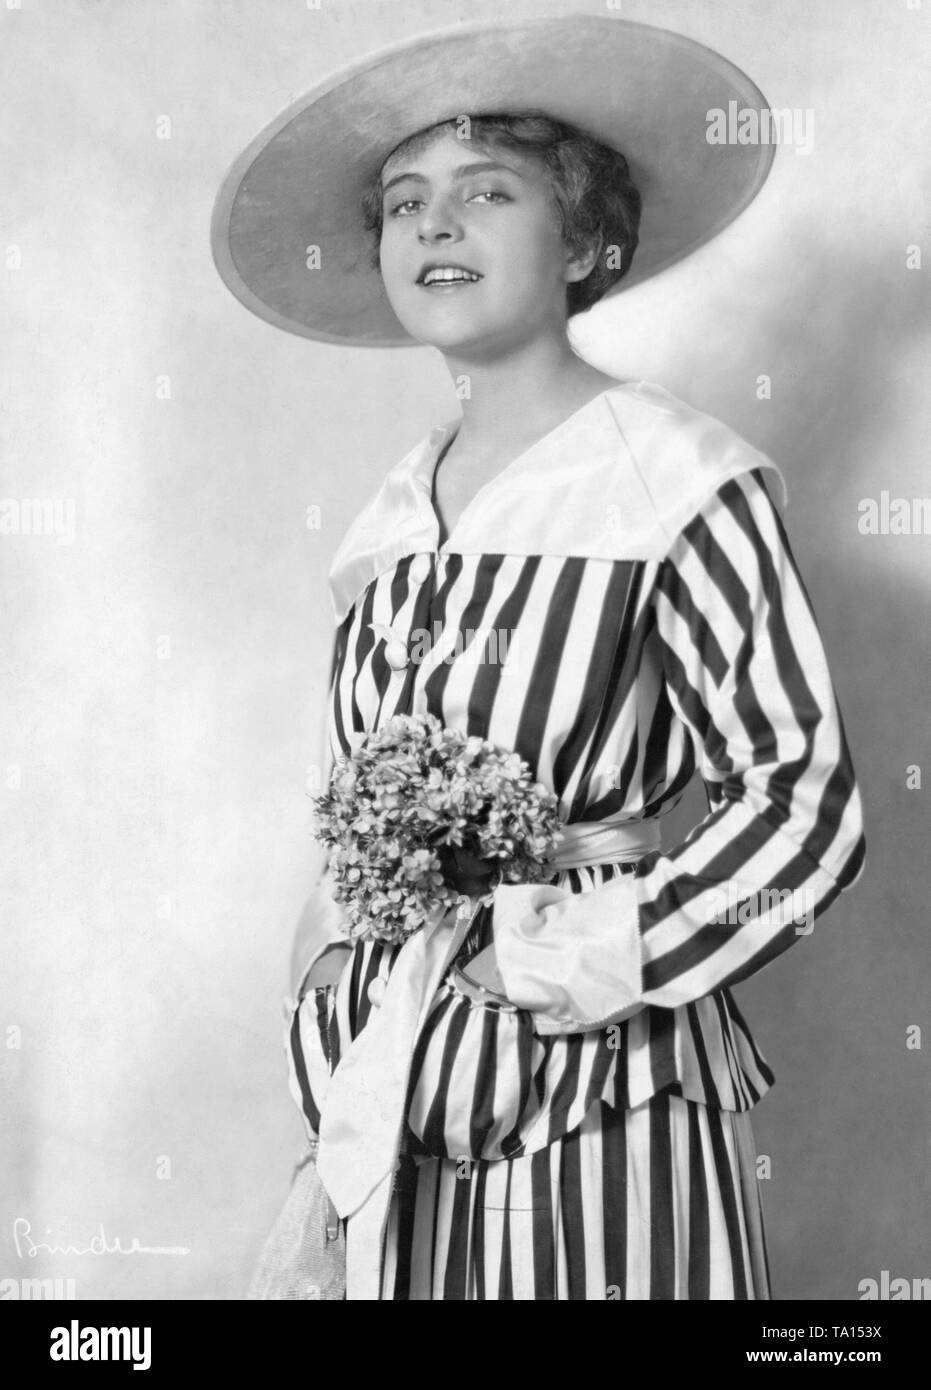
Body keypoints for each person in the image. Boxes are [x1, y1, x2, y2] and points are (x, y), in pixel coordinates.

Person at [213, 17, 866, 1301]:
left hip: (601, 1108)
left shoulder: (674, 477)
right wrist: (328, 984)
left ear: (582, 242)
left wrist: (560, 952)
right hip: (397, 1105)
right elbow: (354, 824)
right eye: (405, 202)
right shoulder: (389, 526)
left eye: (485, 192)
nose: (432, 225)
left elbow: (805, 814)